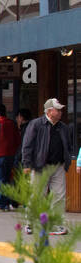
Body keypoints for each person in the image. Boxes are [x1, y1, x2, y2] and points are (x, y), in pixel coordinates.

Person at [20, 97, 76, 236]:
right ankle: (30, 224)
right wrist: (26, 164)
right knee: (37, 195)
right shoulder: (36, 124)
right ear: (49, 111)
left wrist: (66, 159)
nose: (60, 112)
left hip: (58, 166)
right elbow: (27, 145)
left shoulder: (63, 127)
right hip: (40, 166)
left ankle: (56, 225)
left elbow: (67, 144)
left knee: (59, 196)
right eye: (57, 109)